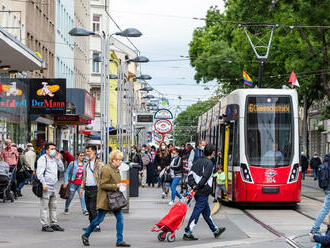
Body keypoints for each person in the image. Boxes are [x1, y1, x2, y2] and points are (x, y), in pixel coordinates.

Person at [81, 150, 130, 247]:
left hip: (114, 199)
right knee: (99, 219)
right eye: (119, 160)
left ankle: (119, 240)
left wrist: (122, 183)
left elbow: (116, 181)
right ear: (113, 160)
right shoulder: (106, 169)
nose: (120, 162)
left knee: (120, 218)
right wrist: (116, 185)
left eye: (121, 160)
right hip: (106, 199)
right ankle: (86, 234)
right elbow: (102, 185)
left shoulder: (116, 168)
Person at [183, 144, 226, 241]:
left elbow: (190, 175)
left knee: (206, 212)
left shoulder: (197, 161)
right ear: (212, 153)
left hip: (198, 190)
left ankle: (215, 230)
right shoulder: (209, 163)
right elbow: (205, 178)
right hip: (203, 191)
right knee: (197, 211)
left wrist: (193, 186)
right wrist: (197, 187)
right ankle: (188, 232)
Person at [36, 142, 65, 232]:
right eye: (52, 149)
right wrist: (44, 183)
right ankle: (45, 225)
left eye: (55, 149)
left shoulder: (54, 159)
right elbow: (39, 173)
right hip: (46, 186)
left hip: (53, 185)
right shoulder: (42, 159)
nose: (54, 151)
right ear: (47, 150)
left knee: (54, 206)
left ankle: (54, 223)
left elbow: (62, 169)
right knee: (44, 206)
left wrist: (58, 159)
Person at [80, 145, 104, 232]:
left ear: (94, 152)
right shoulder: (87, 164)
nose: (87, 153)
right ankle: (92, 225)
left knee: (93, 208)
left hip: (95, 189)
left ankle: (96, 226)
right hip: (87, 188)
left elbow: (103, 176)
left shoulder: (99, 164)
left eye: (89, 151)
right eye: (87, 151)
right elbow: (84, 177)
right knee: (89, 209)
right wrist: (82, 188)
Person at [310, 153, 330, 235]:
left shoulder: (324, 164)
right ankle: (314, 229)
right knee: (325, 210)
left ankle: (315, 228)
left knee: (325, 209)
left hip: (327, 189)